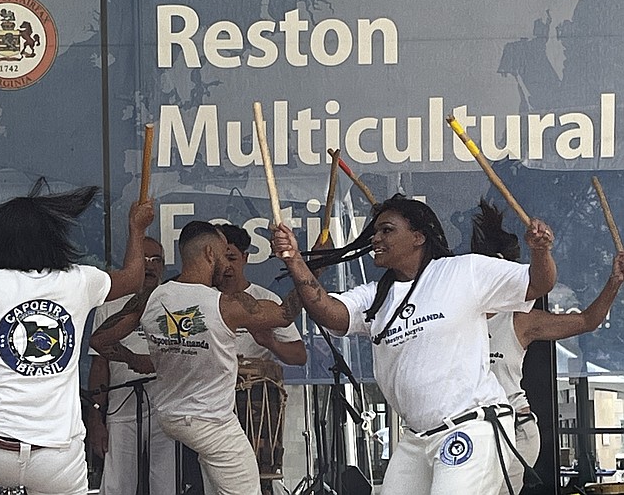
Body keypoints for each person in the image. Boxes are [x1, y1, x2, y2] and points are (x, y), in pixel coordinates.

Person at [271, 193, 556, 495]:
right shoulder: (376, 297)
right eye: (375, 231)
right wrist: (294, 259)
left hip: (469, 427)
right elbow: (328, 312)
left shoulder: (463, 271)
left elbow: (538, 284)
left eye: (387, 230)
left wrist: (540, 252)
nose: (376, 239)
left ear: (418, 237)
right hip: (417, 439)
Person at [0, 179, 153, 495]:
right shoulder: (77, 281)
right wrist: (136, 228)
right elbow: (133, 279)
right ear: (52, 239)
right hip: (56, 458)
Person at [90, 221, 304, 495]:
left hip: (171, 417)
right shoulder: (224, 304)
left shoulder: (152, 297)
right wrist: (308, 266)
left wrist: (137, 358)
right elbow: (285, 313)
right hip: (211, 421)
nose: (227, 266)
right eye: (223, 255)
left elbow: (100, 340)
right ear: (208, 253)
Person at [471, 199, 624, 495]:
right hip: (469, 430)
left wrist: (614, 281)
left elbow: (587, 320)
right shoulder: (453, 315)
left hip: (515, 428)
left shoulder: (518, 320)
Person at [87, 236, 179, 495]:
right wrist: (96, 419)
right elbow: (99, 365)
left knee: (167, 485)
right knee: (117, 486)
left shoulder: (173, 302)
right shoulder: (109, 305)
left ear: (163, 267)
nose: (150, 266)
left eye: (156, 260)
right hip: (120, 407)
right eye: (144, 259)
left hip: (166, 407)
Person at [217, 224, 307, 365]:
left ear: (244, 257)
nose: (226, 265)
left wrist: (271, 343)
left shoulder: (267, 299)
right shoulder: (202, 297)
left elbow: (299, 356)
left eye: (232, 258)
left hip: (255, 385)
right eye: (221, 259)